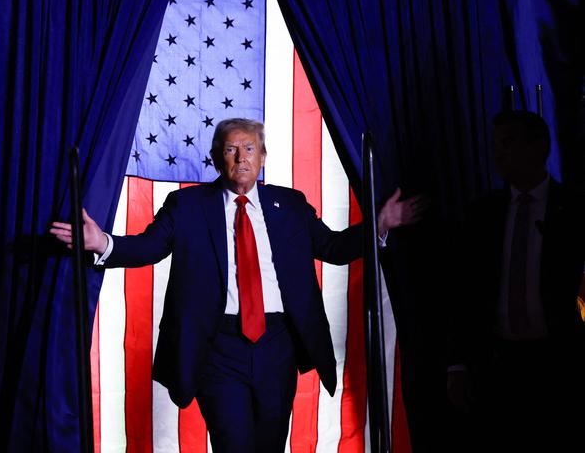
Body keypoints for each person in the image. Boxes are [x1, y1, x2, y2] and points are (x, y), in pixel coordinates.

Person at [51, 118, 427, 452]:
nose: (241, 157)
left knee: (269, 442)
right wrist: (102, 243)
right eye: (231, 149)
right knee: (234, 443)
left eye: (249, 148)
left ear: (262, 157)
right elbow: (149, 247)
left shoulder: (291, 205)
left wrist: (380, 224)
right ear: (217, 159)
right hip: (218, 347)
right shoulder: (186, 205)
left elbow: (332, 247)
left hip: (277, 345)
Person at [446, 110, 585, 452]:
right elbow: (463, 294)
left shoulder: (574, 211)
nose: (499, 154)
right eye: (495, 146)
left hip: (560, 365)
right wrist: (457, 364)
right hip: (497, 365)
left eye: (508, 144)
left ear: (539, 146)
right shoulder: (482, 214)